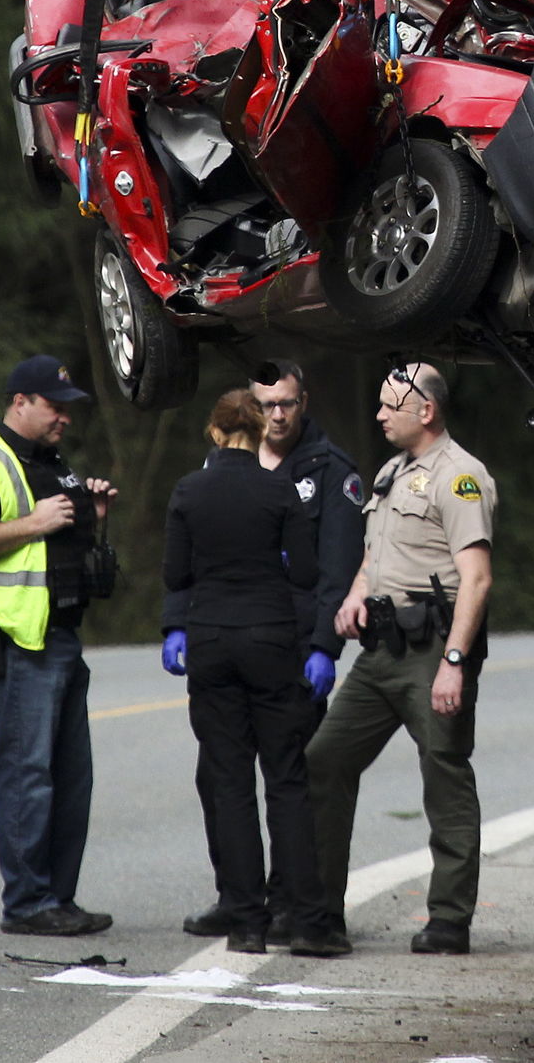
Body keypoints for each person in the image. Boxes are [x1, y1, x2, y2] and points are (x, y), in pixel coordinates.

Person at [165, 359, 364, 940]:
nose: (279, 414)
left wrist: (324, 644)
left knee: (274, 778)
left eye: (289, 404)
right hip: (269, 640)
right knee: (253, 781)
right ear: (252, 412)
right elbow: (294, 566)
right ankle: (248, 902)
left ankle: (284, 912)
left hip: (286, 646)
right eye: (268, 405)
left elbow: (333, 570)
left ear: (304, 404)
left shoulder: (329, 470)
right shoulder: (262, 486)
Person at [307, 361, 496, 956]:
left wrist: (455, 661)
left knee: (443, 772)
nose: (381, 414)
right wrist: (357, 594)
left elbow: (478, 579)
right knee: (324, 759)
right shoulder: (392, 471)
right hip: (380, 651)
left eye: (392, 405)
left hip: (432, 650)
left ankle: (449, 919)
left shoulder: (461, 477)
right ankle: (319, 913)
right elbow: (375, 552)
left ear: (427, 411)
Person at [0, 355, 117, 937]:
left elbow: (58, 545)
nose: (64, 416)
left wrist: (90, 516)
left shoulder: (53, 463)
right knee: (27, 775)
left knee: (72, 779)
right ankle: (26, 903)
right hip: (18, 645)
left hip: (62, 637)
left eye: (68, 407)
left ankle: (56, 899)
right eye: (53, 405)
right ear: (20, 402)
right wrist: (32, 524)